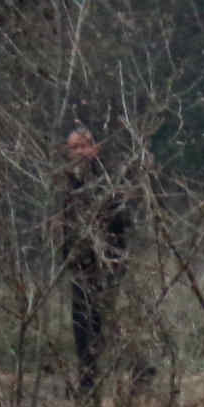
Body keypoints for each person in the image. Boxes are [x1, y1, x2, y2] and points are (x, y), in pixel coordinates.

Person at [60, 116, 130, 391]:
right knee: (82, 326)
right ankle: (87, 382)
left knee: (104, 323)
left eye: (83, 146)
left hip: (106, 265)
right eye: (73, 148)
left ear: (95, 148)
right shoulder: (68, 185)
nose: (78, 152)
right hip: (79, 267)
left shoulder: (107, 183)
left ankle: (134, 374)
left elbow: (121, 223)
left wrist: (110, 257)